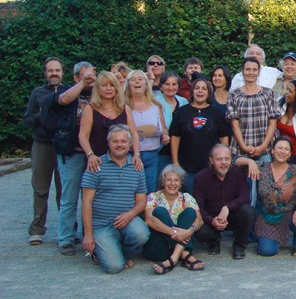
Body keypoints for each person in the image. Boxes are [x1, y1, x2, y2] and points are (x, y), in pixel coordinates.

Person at [80, 125, 150, 274]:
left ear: (130, 144)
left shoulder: (137, 166)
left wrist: (130, 215)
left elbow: (141, 201)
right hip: (101, 224)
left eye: (124, 141)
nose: (119, 145)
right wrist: (88, 235)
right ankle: (100, 251)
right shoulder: (96, 165)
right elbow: (86, 202)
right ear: (109, 143)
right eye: (115, 141)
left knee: (141, 234)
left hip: (127, 221)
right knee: (114, 267)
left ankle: (122, 251)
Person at [51, 61, 96, 255]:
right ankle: (66, 238)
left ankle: (90, 234)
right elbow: (62, 100)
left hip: (94, 155)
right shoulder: (69, 92)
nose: (89, 80)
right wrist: (82, 83)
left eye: (91, 76)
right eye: (84, 76)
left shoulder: (98, 94)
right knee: (69, 198)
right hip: (72, 153)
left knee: (93, 199)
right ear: (76, 77)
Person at [24, 56, 64, 245]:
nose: (54, 73)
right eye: (51, 70)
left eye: (57, 70)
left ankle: (67, 231)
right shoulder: (37, 93)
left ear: (62, 72)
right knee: (40, 188)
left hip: (63, 146)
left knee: (64, 190)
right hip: (42, 145)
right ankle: (37, 230)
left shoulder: (68, 92)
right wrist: (44, 113)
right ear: (45, 73)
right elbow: (28, 119)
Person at [193, 144, 256, 259]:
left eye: (227, 159)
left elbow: (245, 197)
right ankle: (214, 241)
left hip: (231, 216)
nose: (224, 162)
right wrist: (212, 221)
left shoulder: (238, 173)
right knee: (199, 230)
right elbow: (199, 207)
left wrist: (227, 207)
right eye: (219, 159)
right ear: (211, 160)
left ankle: (239, 246)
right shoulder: (200, 177)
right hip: (211, 219)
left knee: (248, 211)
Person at [170, 77, 230, 193]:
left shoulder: (216, 113)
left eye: (204, 89)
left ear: (209, 93)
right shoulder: (182, 112)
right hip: (187, 167)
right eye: (197, 88)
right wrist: (175, 161)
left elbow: (224, 137)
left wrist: (224, 159)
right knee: (191, 200)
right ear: (192, 91)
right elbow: (175, 137)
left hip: (212, 167)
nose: (200, 91)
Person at [143, 164, 205, 274]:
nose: (172, 184)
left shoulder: (187, 197)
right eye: (169, 180)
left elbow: (199, 220)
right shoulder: (153, 197)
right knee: (159, 211)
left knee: (190, 212)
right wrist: (176, 233)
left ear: (181, 183)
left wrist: (189, 232)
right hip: (158, 248)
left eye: (176, 180)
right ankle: (185, 255)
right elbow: (149, 220)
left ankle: (173, 259)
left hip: (176, 247)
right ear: (162, 182)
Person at [252, 136, 296, 257]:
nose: (282, 151)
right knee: (266, 251)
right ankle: (272, 238)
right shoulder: (261, 167)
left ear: (290, 153)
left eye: (286, 149)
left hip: (289, 214)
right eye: (279, 148)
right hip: (267, 216)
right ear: (272, 150)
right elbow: (235, 161)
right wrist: (249, 162)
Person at [79, 71, 142, 174]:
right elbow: (83, 135)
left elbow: (134, 134)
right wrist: (90, 155)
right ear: (98, 88)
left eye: (112, 85)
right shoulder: (90, 109)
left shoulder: (125, 108)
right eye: (104, 85)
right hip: (97, 161)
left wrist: (136, 154)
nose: (108, 88)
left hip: (122, 161)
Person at [227, 56, 280, 162]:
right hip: (240, 150)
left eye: (254, 69)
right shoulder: (234, 95)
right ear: (242, 71)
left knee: (264, 178)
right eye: (247, 69)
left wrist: (264, 146)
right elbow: (234, 123)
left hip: (265, 150)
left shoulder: (268, 93)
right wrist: (243, 146)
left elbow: (273, 122)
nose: (251, 72)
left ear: (259, 72)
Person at [125, 69, 169, 192]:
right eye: (133, 79)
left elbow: (164, 129)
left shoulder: (156, 105)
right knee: (130, 191)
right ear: (128, 84)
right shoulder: (122, 105)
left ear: (146, 83)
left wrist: (165, 136)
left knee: (150, 192)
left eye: (140, 79)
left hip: (151, 156)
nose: (137, 82)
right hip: (128, 156)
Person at [154, 72, 187, 176]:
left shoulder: (184, 102)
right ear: (161, 86)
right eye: (167, 84)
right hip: (161, 150)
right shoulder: (154, 102)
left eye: (174, 84)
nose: (171, 87)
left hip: (181, 151)